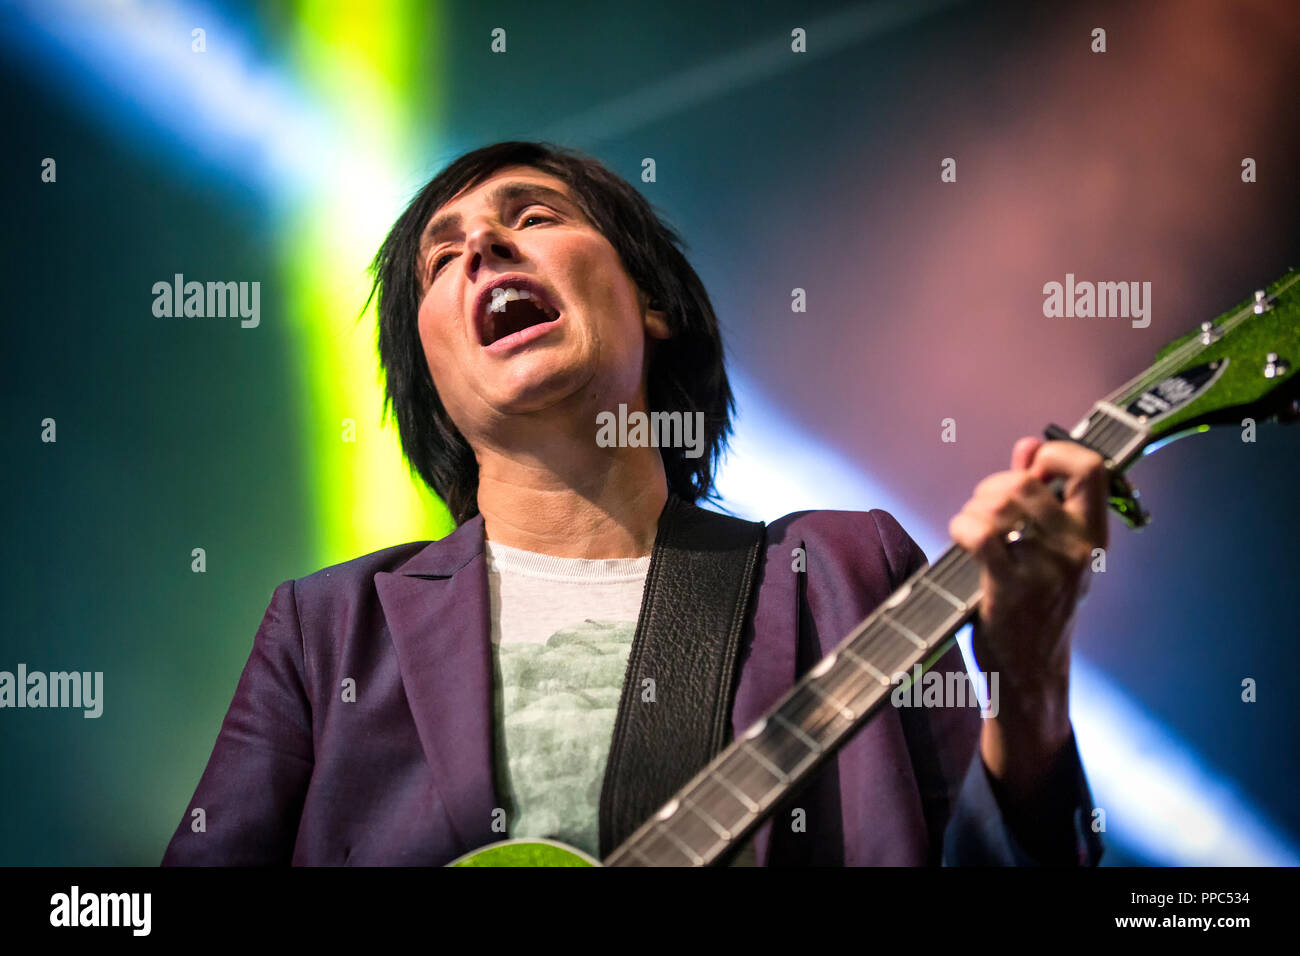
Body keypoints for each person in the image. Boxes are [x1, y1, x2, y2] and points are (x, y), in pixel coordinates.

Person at [162, 141, 1106, 866]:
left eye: (531, 216)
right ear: (433, 380)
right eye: (440, 261)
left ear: (648, 301)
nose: (482, 247)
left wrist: (1030, 683)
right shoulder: (326, 630)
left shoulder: (841, 573)